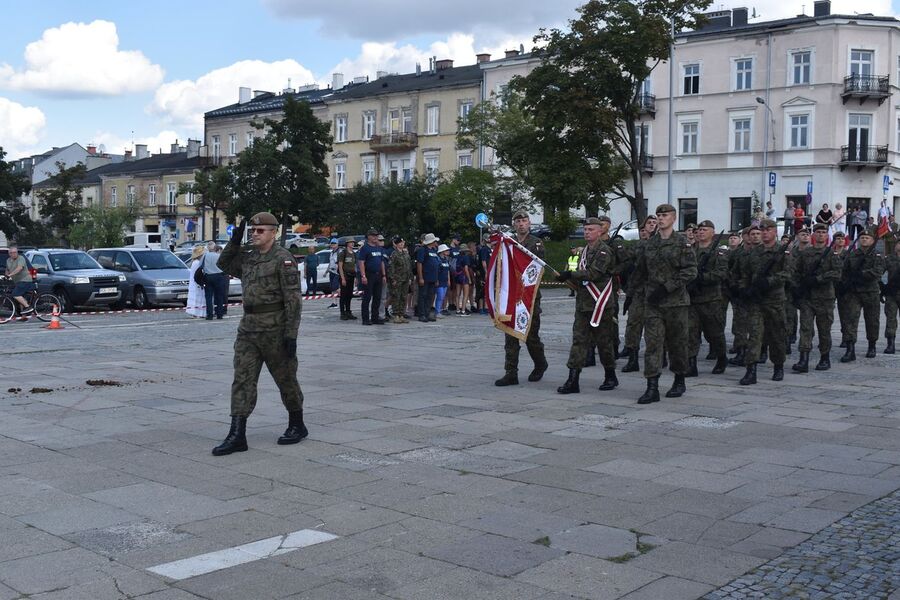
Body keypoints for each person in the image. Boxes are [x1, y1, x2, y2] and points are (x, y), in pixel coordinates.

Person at [212, 212, 305, 456]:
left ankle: (297, 423)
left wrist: (291, 335)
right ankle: (237, 434)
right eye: (252, 230)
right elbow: (223, 264)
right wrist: (234, 240)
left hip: (275, 329)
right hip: (248, 329)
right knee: (242, 379)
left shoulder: (283, 259)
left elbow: (293, 300)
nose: (255, 234)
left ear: (273, 232)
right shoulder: (249, 257)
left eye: (260, 230)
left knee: (286, 379)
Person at [633, 204, 697, 403]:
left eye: (665, 215)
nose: (661, 218)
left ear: (674, 218)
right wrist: (633, 292)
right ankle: (652, 387)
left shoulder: (682, 242)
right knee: (653, 344)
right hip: (653, 303)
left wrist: (667, 287)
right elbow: (641, 270)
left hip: (676, 303)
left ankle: (679, 379)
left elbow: (690, 271)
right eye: (659, 215)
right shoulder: (650, 243)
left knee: (678, 343)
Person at [556, 217, 617, 393]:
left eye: (591, 229)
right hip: (584, 304)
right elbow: (581, 276)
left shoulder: (604, 251)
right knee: (578, 341)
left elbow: (594, 274)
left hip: (600, 305)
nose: (587, 232)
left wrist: (570, 274)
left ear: (600, 231)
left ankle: (610, 375)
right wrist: (567, 278)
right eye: (585, 229)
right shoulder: (583, 252)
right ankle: (573, 380)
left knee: (604, 343)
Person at [496, 210, 548, 386]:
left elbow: (537, 266)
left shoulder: (536, 243)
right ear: (514, 225)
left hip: (529, 297)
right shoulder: (509, 242)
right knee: (510, 334)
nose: (521, 224)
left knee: (531, 337)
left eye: (524, 221)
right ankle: (511, 372)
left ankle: (540, 363)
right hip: (512, 295)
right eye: (518, 221)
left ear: (529, 223)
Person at [737, 219, 793, 385]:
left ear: (775, 231)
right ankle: (751, 370)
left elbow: (788, 273)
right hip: (756, 301)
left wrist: (769, 281)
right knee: (754, 335)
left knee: (777, 335)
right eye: (763, 230)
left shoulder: (783, 251)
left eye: (768, 229)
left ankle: (778, 365)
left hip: (775, 300)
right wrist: (744, 289)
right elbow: (745, 274)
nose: (765, 232)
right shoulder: (754, 252)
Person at [792, 223, 842, 372]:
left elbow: (837, 273)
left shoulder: (832, 254)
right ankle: (803, 359)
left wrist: (818, 279)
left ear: (827, 235)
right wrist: (798, 286)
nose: (820, 234)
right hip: (807, 298)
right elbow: (795, 271)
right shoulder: (805, 253)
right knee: (805, 328)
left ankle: (825, 358)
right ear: (813, 235)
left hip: (825, 298)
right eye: (818, 232)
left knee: (824, 329)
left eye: (823, 232)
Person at [687, 221, 729, 376]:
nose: (701, 232)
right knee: (691, 333)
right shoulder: (690, 250)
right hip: (692, 299)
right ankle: (691, 364)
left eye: (705, 229)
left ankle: (721, 358)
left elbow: (722, 273)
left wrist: (703, 278)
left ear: (712, 232)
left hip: (711, 300)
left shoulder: (719, 252)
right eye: (699, 230)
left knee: (714, 333)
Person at [839, 227, 885, 361]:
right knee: (850, 320)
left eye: (867, 238)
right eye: (862, 238)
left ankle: (872, 345)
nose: (864, 240)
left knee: (872, 320)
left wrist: (861, 275)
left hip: (871, 292)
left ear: (872, 240)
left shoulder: (877, 255)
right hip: (853, 292)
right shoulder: (852, 254)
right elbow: (844, 271)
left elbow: (877, 272)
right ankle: (850, 349)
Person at [357, 229, 386, 325]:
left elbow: (381, 262)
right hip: (369, 274)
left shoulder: (379, 248)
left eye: (376, 235)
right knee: (367, 297)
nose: (375, 237)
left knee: (377, 297)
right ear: (368, 236)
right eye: (373, 235)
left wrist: (384, 275)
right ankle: (365, 319)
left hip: (378, 274)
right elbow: (361, 262)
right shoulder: (365, 248)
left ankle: (375, 317)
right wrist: (363, 276)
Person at [4, 244, 36, 315]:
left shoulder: (21, 258)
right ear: (9, 254)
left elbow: (19, 268)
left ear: (17, 252)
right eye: (11, 253)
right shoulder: (8, 260)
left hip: (25, 280)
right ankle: (23, 315)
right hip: (17, 281)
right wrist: (6, 275)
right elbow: (7, 269)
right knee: (19, 297)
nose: (13, 254)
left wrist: (10, 275)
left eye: (15, 252)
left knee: (15, 294)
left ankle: (28, 307)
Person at [416, 233, 440, 322]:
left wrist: (436, 279)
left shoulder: (434, 250)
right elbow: (419, 263)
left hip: (433, 278)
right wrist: (421, 277)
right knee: (423, 296)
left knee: (430, 296)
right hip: (425, 277)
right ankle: (421, 314)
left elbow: (436, 265)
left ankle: (427, 313)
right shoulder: (423, 250)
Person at [388, 236, 411, 323]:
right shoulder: (394, 254)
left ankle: (401, 314)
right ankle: (396, 315)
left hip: (405, 278)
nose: (401, 244)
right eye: (400, 243)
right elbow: (391, 267)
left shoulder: (406, 254)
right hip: (397, 279)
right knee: (396, 297)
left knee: (403, 296)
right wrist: (393, 279)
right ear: (396, 244)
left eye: (402, 243)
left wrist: (410, 278)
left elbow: (409, 266)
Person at [203, 241, 228, 320]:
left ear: (208, 248)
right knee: (219, 296)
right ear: (215, 248)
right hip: (219, 276)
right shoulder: (219, 256)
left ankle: (209, 315)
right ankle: (219, 314)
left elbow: (201, 266)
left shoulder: (205, 256)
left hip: (208, 276)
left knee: (208, 297)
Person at [883, 242, 900, 354]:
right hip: (892, 294)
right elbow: (879, 271)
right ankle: (890, 343)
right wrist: (882, 286)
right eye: (898, 243)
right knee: (890, 319)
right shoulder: (889, 259)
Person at [337, 239, 357, 320]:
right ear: (347, 244)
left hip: (351, 276)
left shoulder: (354, 254)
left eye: (353, 242)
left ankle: (348, 311)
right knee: (343, 295)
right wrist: (343, 278)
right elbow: (340, 266)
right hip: (345, 276)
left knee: (349, 295)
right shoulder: (343, 253)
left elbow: (355, 266)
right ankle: (342, 313)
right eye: (351, 242)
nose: (352, 244)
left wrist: (356, 278)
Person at [186, 245, 207, 318]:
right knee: (198, 298)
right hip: (197, 283)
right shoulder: (197, 263)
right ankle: (198, 313)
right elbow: (199, 274)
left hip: (194, 283)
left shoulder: (195, 262)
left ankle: (196, 312)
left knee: (196, 298)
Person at [435, 244, 451, 316]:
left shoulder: (446, 260)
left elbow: (448, 271)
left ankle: (439, 310)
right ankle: (437, 311)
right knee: (440, 296)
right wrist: (437, 280)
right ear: (442, 251)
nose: (448, 251)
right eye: (446, 250)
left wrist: (449, 280)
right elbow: (436, 271)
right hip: (440, 281)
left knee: (443, 296)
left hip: (445, 281)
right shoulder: (438, 260)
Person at [326, 238, 340, 308]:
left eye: (334, 243)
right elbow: (330, 262)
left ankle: (344, 297)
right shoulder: (331, 253)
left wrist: (339, 271)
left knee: (336, 287)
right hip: (331, 271)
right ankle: (334, 303)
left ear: (337, 244)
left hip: (337, 272)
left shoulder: (339, 252)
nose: (333, 245)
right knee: (332, 288)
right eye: (332, 243)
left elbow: (339, 262)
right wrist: (327, 271)